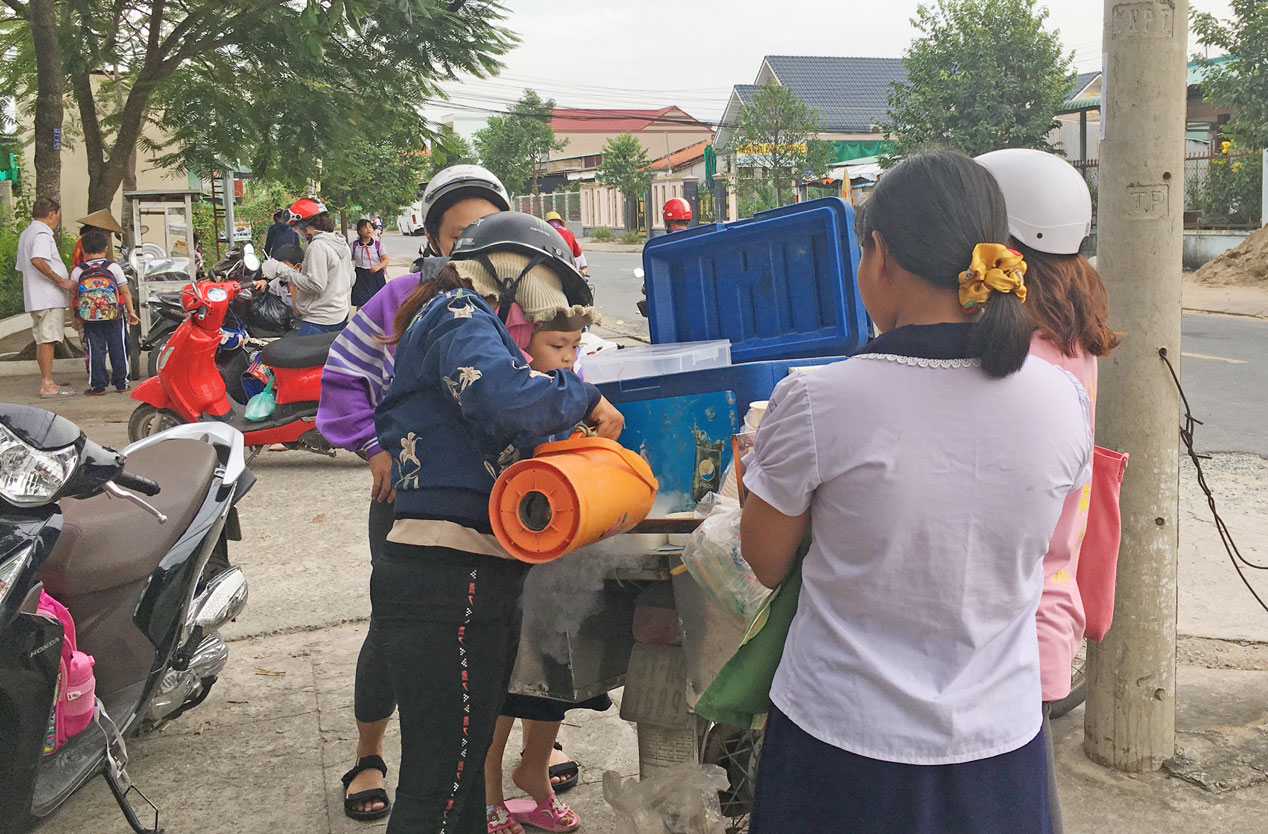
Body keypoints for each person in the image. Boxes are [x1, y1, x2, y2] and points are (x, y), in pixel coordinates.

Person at [739, 150, 1092, 834]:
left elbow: (764, 559)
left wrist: (752, 478)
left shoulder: (818, 399)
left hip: (840, 746)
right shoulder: (1063, 399)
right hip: (1000, 745)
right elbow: (1047, 547)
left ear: (881, 256)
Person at [372, 211, 623, 834]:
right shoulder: (459, 313)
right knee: (438, 784)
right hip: (444, 579)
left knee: (458, 780)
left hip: (467, 574)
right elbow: (501, 397)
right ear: (512, 271)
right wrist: (581, 395)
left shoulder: (463, 321)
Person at [316, 163, 510, 823]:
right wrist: (373, 449)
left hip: (498, 509)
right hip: (410, 505)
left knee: (492, 639)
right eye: (460, 233)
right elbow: (343, 378)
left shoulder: (518, 304)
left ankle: (482, 774)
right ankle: (370, 754)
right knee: (396, 632)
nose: (474, 244)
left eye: (487, 229)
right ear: (434, 238)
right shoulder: (405, 296)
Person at [977, 147, 1121, 834]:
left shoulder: (1016, 351)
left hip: (1005, 616)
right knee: (1022, 797)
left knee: (1003, 801)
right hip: (1046, 602)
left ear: (1004, 245)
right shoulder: (1072, 332)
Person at [483, 312, 593, 834]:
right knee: (505, 680)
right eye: (556, 345)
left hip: (559, 564)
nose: (569, 358)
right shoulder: (513, 401)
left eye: (575, 347)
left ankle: (534, 771)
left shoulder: (572, 400)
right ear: (523, 349)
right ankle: (487, 789)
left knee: (553, 674)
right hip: (508, 562)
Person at [261, 197, 353, 336]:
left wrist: (281, 270)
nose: (297, 231)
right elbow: (351, 278)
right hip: (340, 313)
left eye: (296, 227)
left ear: (305, 224)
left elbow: (316, 285)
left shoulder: (317, 246)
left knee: (298, 357)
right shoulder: (340, 242)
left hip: (320, 320)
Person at [17, 197, 76, 398]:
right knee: (47, 339)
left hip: (37, 296)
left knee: (44, 338)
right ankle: (47, 383)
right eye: (57, 217)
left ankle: (47, 380)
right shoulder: (42, 233)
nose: (57, 221)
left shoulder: (27, 233)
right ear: (51, 214)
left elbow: (21, 268)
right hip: (47, 297)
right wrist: (60, 280)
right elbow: (37, 260)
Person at [71, 230, 139, 395]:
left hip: (90, 317)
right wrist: (131, 312)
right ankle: (121, 383)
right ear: (106, 248)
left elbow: (74, 295)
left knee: (95, 349)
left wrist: (73, 316)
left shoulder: (78, 271)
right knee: (118, 347)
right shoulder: (113, 267)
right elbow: (125, 291)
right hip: (114, 314)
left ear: (84, 250)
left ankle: (98, 386)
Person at [351, 218, 391, 307]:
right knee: (361, 303)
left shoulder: (378, 245)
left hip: (376, 276)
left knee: (378, 302)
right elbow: (347, 258)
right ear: (359, 231)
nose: (368, 229)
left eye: (370, 227)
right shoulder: (354, 245)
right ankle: (360, 320)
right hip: (360, 276)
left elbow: (386, 259)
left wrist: (378, 267)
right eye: (365, 228)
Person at [544, 211, 588, 278]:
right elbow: (577, 253)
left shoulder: (546, 235)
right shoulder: (569, 234)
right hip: (569, 266)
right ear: (560, 223)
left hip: (552, 266)